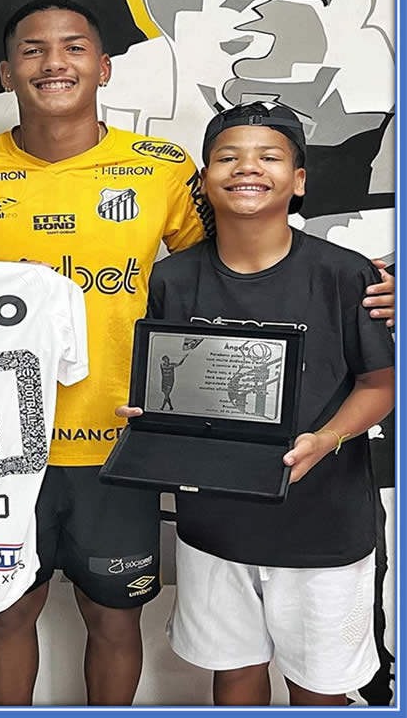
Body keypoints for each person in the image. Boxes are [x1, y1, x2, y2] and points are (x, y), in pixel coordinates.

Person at [0, 0, 396, 706]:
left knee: (114, 617)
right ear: (5, 71)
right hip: (5, 443)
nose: (54, 63)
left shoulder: (162, 168)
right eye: (32, 50)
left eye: (73, 47)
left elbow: (234, 263)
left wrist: (373, 287)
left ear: (104, 66)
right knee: (8, 611)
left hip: (128, 443)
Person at [124, 101, 395, 706]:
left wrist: (327, 438)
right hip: (215, 525)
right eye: (228, 157)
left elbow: (380, 385)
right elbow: (171, 383)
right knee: (234, 671)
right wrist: (155, 421)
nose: (248, 168)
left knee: (319, 686)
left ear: (298, 181)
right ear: (203, 179)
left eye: (269, 157)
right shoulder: (172, 279)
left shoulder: (346, 275)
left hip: (322, 527)